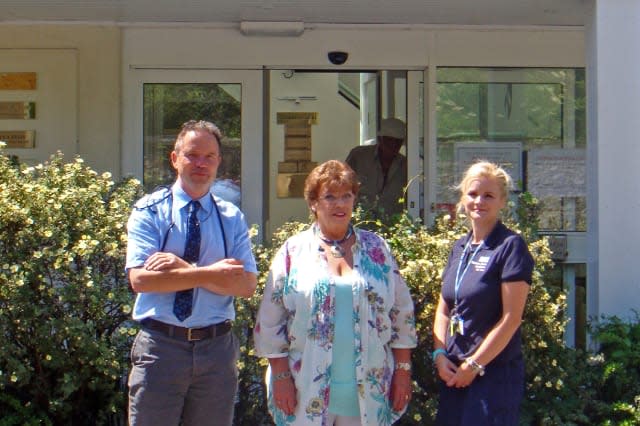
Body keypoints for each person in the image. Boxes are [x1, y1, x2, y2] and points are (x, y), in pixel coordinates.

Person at [253, 160, 417, 426]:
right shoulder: (293, 251)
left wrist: (402, 371)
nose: (339, 204)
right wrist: (280, 376)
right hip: (305, 388)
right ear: (313, 203)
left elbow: (402, 315)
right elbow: (271, 321)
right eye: (329, 197)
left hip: (367, 388)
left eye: (346, 196)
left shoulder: (377, 249)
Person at [125, 120, 258, 426]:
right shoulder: (150, 211)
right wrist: (214, 274)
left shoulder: (231, 217)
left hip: (217, 350)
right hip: (161, 348)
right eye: (192, 155)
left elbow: (247, 285)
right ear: (175, 159)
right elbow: (141, 280)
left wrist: (183, 270)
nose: (201, 163)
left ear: (218, 162)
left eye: (209, 156)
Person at [432, 161, 534, 426]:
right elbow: (444, 306)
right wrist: (439, 355)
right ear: (463, 199)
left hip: (492, 376)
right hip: (454, 372)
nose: (479, 201)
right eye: (473, 194)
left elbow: (511, 318)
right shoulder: (460, 247)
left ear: (502, 201)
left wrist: (475, 366)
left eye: (488, 196)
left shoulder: (510, 247)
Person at [345, 117, 407, 218]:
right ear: (380, 139)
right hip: (360, 222)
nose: (393, 145)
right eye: (389, 141)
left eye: (397, 142)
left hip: (391, 225)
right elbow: (341, 185)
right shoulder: (359, 156)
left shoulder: (405, 165)